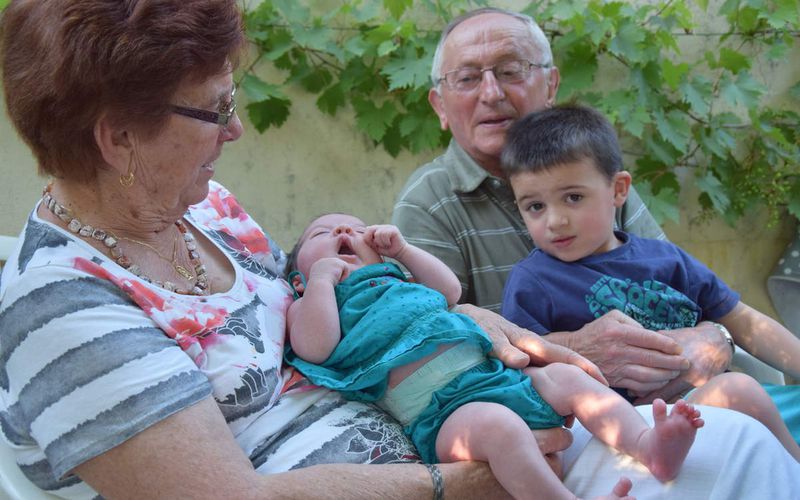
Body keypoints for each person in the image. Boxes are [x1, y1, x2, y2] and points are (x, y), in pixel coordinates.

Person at [1, 1, 798, 499]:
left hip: (464, 420)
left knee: (731, 438)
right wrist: (468, 478)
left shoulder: (200, 207)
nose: (237, 130)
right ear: (118, 140)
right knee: (723, 461)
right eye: (214, 111)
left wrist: (466, 319)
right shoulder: (62, 311)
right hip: (445, 465)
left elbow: (327, 308)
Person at [391, 6, 764, 408]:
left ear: (550, 86)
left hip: (687, 397)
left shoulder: (590, 171)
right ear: (440, 107)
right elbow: (434, 355)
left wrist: (716, 337)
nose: (491, 93)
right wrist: (571, 348)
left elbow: (679, 287)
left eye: (511, 70)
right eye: (466, 79)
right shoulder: (428, 205)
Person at [285, 212, 708, 498]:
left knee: (572, 380)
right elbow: (316, 346)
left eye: (356, 228)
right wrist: (322, 281)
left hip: (498, 376)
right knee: (501, 429)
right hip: (444, 414)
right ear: (296, 278)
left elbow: (449, 292)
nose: (343, 234)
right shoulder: (312, 303)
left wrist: (403, 252)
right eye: (322, 235)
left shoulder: (397, 275)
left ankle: (646, 444)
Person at [500, 104, 800, 461]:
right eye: (535, 206)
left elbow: (744, 321)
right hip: (624, 429)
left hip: (701, 404)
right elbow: (521, 366)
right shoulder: (532, 282)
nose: (555, 221)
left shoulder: (665, 258)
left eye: (573, 197)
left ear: (618, 190)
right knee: (740, 391)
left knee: (753, 396)